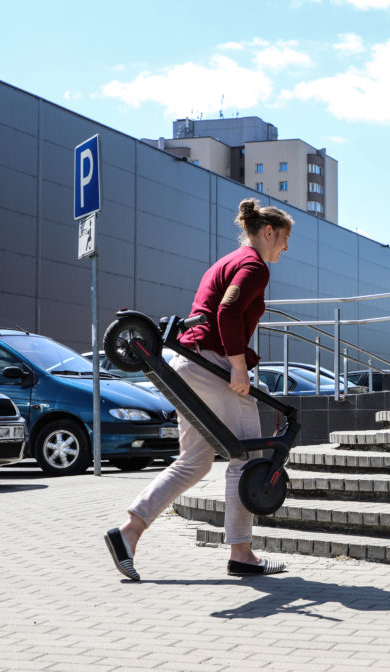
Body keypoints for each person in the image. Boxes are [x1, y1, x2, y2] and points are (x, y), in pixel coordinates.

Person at [104, 197, 292, 580]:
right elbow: (226, 311)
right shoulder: (254, 266)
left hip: (187, 363)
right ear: (268, 232)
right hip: (213, 365)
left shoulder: (226, 260)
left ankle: (129, 532)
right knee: (248, 457)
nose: (285, 248)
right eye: (284, 239)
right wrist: (238, 366)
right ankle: (242, 553)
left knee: (194, 461)